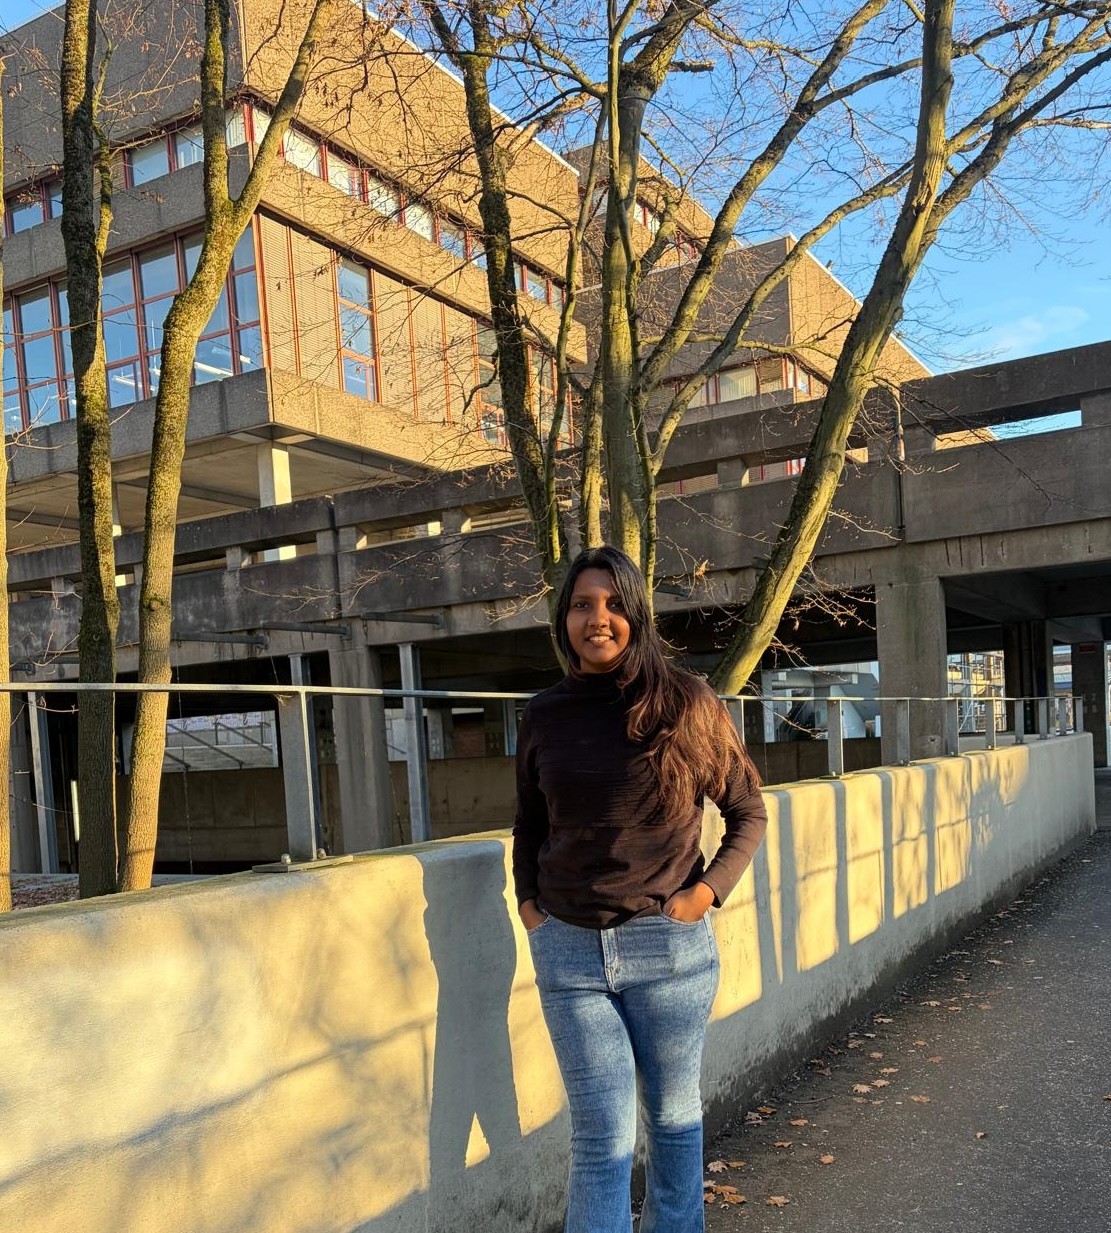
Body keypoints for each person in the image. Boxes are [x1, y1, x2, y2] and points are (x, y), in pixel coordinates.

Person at [513, 545, 768, 1233]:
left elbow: (747, 810)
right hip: (567, 952)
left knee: (673, 1118)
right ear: (563, 618)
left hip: (667, 945)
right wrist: (528, 906)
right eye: (581, 604)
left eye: (613, 603)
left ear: (636, 613)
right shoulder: (542, 714)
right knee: (601, 1137)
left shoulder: (685, 702)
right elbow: (529, 824)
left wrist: (705, 893)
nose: (597, 618)